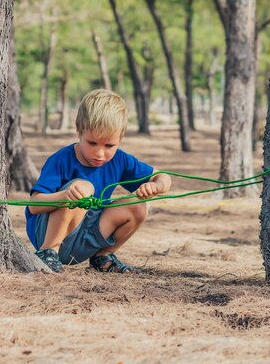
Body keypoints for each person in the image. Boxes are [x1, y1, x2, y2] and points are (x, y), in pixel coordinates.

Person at [25, 89, 171, 274]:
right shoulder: (61, 159)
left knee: (139, 206)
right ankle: (48, 253)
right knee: (83, 187)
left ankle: (103, 257)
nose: (100, 153)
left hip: (87, 237)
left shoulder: (120, 159)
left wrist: (157, 186)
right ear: (79, 132)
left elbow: (163, 177)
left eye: (109, 145)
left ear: (120, 138)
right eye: (92, 143)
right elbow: (34, 205)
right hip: (49, 234)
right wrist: (64, 197)